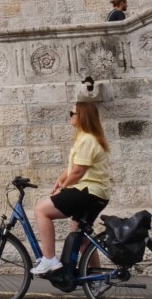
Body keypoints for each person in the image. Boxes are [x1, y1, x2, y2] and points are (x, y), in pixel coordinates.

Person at [29, 99, 111, 275]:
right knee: (80, 237)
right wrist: (60, 179)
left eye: (72, 113)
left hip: (88, 191)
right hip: (96, 193)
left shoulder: (87, 140)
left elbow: (79, 172)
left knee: (41, 210)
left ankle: (49, 259)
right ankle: (95, 276)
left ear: (82, 117)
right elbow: (74, 168)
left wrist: (63, 188)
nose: (70, 116)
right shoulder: (86, 138)